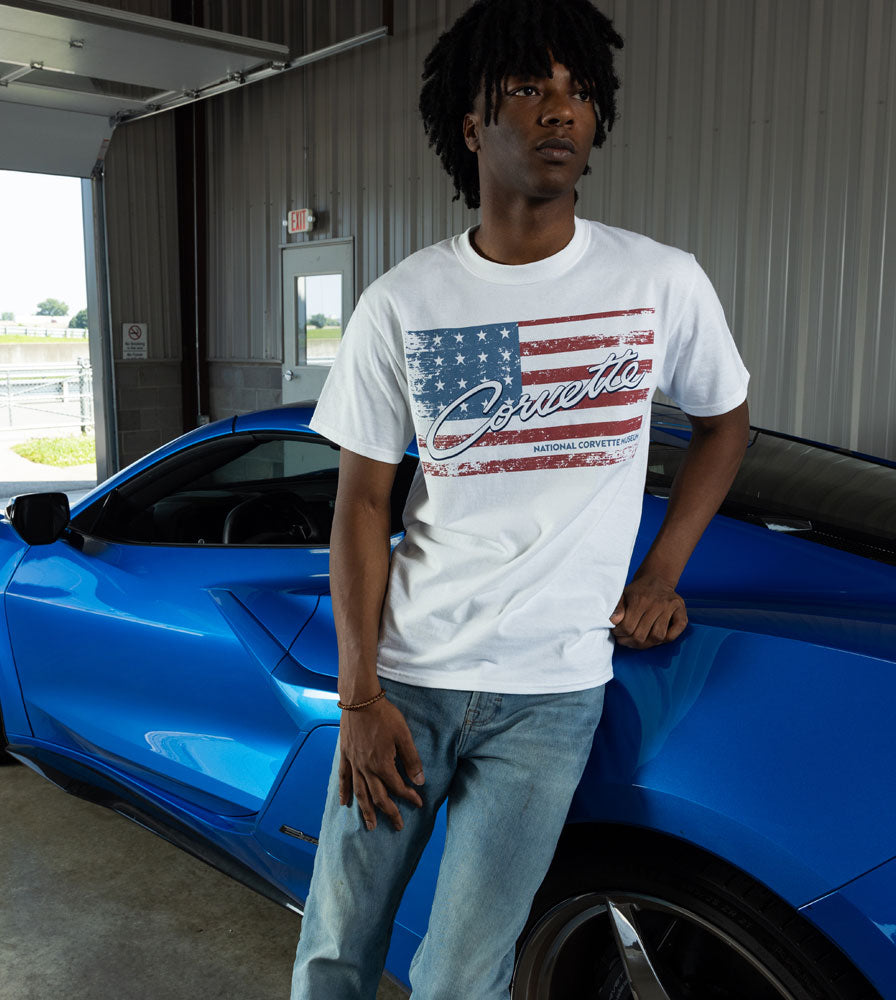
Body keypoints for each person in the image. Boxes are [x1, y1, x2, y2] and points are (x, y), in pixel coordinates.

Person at [290, 0, 751, 997]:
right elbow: (362, 505)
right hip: (407, 683)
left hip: (552, 695)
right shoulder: (404, 302)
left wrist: (663, 569)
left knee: (463, 974)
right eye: (528, 89)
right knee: (335, 944)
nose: (560, 111)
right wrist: (361, 693)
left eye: (577, 92)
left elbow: (726, 420)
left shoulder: (657, 283)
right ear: (470, 124)